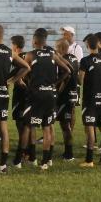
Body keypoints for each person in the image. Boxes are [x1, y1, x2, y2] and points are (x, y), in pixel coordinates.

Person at [0, 24, 30, 173]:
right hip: (3, 93)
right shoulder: (10, 52)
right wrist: (12, 81)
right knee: (2, 128)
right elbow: (27, 67)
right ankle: (2, 164)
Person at [24, 28, 72, 170]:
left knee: (32, 125)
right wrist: (55, 83)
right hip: (51, 94)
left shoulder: (30, 55)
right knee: (47, 127)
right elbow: (68, 71)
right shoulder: (52, 54)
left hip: (36, 94)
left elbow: (24, 71)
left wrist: (28, 81)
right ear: (45, 41)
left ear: (35, 40)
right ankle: (46, 161)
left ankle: (32, 158)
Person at [78, 34, 101, 168]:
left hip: (90, 100)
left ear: (87, 46)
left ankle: (89, 160)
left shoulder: (85, 61)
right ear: (98, 45)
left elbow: (80, 80)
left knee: (90, 129)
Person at [54, 37, 79, 161]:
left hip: (65, 96)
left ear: (61, 48)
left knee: (65, 125)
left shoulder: (63, 59)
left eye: (56, 47)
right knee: (68, 123)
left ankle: (69, 154)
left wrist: (58, 88)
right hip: (73, 93)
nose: (55, 49)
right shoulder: (74, 58)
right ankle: (68, 151)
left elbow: (67, 75)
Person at [9, 35, 33, 168]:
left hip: (20, 95)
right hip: (29, 94)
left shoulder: (17, 59)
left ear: (15, 45)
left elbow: (17, 75)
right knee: (28, 124)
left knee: (21, 125)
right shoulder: (29, 56)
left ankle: (23, 154)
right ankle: (29, 153)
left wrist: (14, 80)